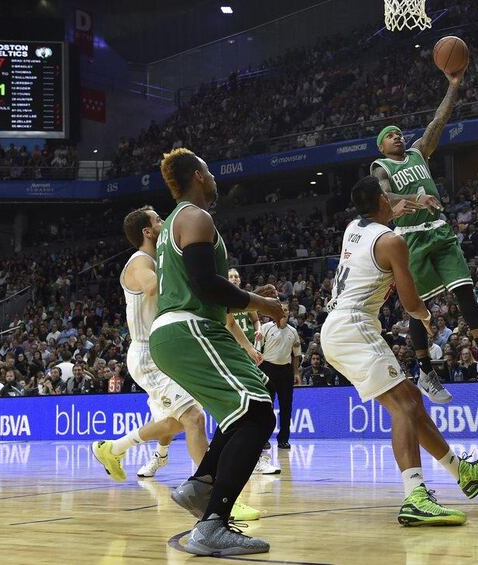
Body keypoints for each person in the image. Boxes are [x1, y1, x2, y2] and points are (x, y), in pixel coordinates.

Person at [321, 176, 478, 526]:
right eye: (388, 197)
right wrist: (425, 315)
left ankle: (463, 472)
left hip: (337, 327)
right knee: (404, 405)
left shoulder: (353, 227)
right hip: (354, 324)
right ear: (381, 202)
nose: (393, 202)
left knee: (412, 401)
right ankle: (415, 496)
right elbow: (410, 301)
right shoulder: (392, 241)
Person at [148, 148, 284, 556]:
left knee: (242, 409)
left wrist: (251, 300)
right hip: (189, 327)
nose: (213, 176)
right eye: (208, 170)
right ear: (198, 176)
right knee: (258, 412)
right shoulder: (194, 216)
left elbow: (207, 288)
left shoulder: (181, 220)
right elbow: (206, 286)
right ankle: (212, 523)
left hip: (183, 330)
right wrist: (262, 304)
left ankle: (200, 484)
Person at [370, 62, 478, 405]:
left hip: (440, 231)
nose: (398, 135)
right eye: (390, 134)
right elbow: (383, 197)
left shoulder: (418, 151)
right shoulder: (381, 168)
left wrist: (453, 85)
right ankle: (424, 371)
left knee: (465, 292)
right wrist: (415, 197)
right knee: (421, 309)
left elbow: (439, 121)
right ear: (381, 147)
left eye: (399, 132)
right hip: (410, 238)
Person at [94, 206, 223, 495]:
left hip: (163, 351)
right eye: (158, 220)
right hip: (148, 354)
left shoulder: (154, 259)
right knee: (194, 418)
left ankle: (113, 448)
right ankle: (212, 495)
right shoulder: (140, 261)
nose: (164, 222)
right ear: (147, 232)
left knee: (175, 423)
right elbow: (152, 286)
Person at [225, 268, 278, 475]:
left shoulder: (242, 299)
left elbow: (246, 319)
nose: (235, 278)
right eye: (231, 276)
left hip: (242, 352)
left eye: (237, 276)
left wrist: (251, 346)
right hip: (227, 352)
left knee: (262, 392)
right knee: (250, 402)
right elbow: (228, 322)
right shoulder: (220, 296)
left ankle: (253, 452)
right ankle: (250, 454)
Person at [258, 303, 302, 449]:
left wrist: (296, 372)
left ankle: (283, 439)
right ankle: (263, 438)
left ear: (289, 313)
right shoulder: (265, 328)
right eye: (280, 310)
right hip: (267, 369)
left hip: (285, 371)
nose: (283, 312)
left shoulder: (293, 332)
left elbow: (296, 355)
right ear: (274, 312)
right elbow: (257, 351)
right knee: (265, 407)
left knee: (286, 406)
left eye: (285, 310)